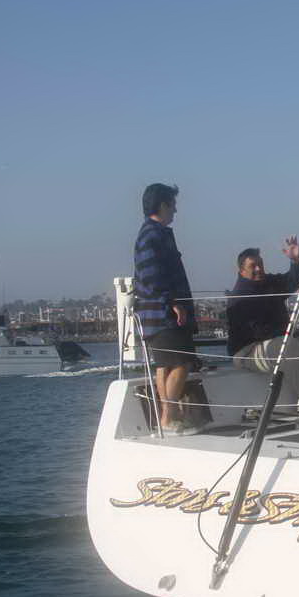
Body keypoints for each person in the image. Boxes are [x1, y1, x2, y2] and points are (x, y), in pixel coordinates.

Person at [226, 242, 299, 407]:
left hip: (276, 342)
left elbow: (293, 281)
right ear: (242, 271)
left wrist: (295, 261)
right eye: (253, 266)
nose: (258, 269)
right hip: (247, 352)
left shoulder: (269, 283)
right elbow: (256, 333)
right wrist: (286, 332)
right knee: (288, 346)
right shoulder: (238, 299)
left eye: (260, 264)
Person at [133, 183, 199, 436]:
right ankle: (168, 418)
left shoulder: (151, 234)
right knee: (182, 362)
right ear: (163, 205)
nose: (175, 210)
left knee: (165, 365)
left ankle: (167, 417)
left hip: (155, 315)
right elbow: (152, 275)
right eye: (173, 205)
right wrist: (173, 303)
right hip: (163, 315)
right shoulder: (153, 236)